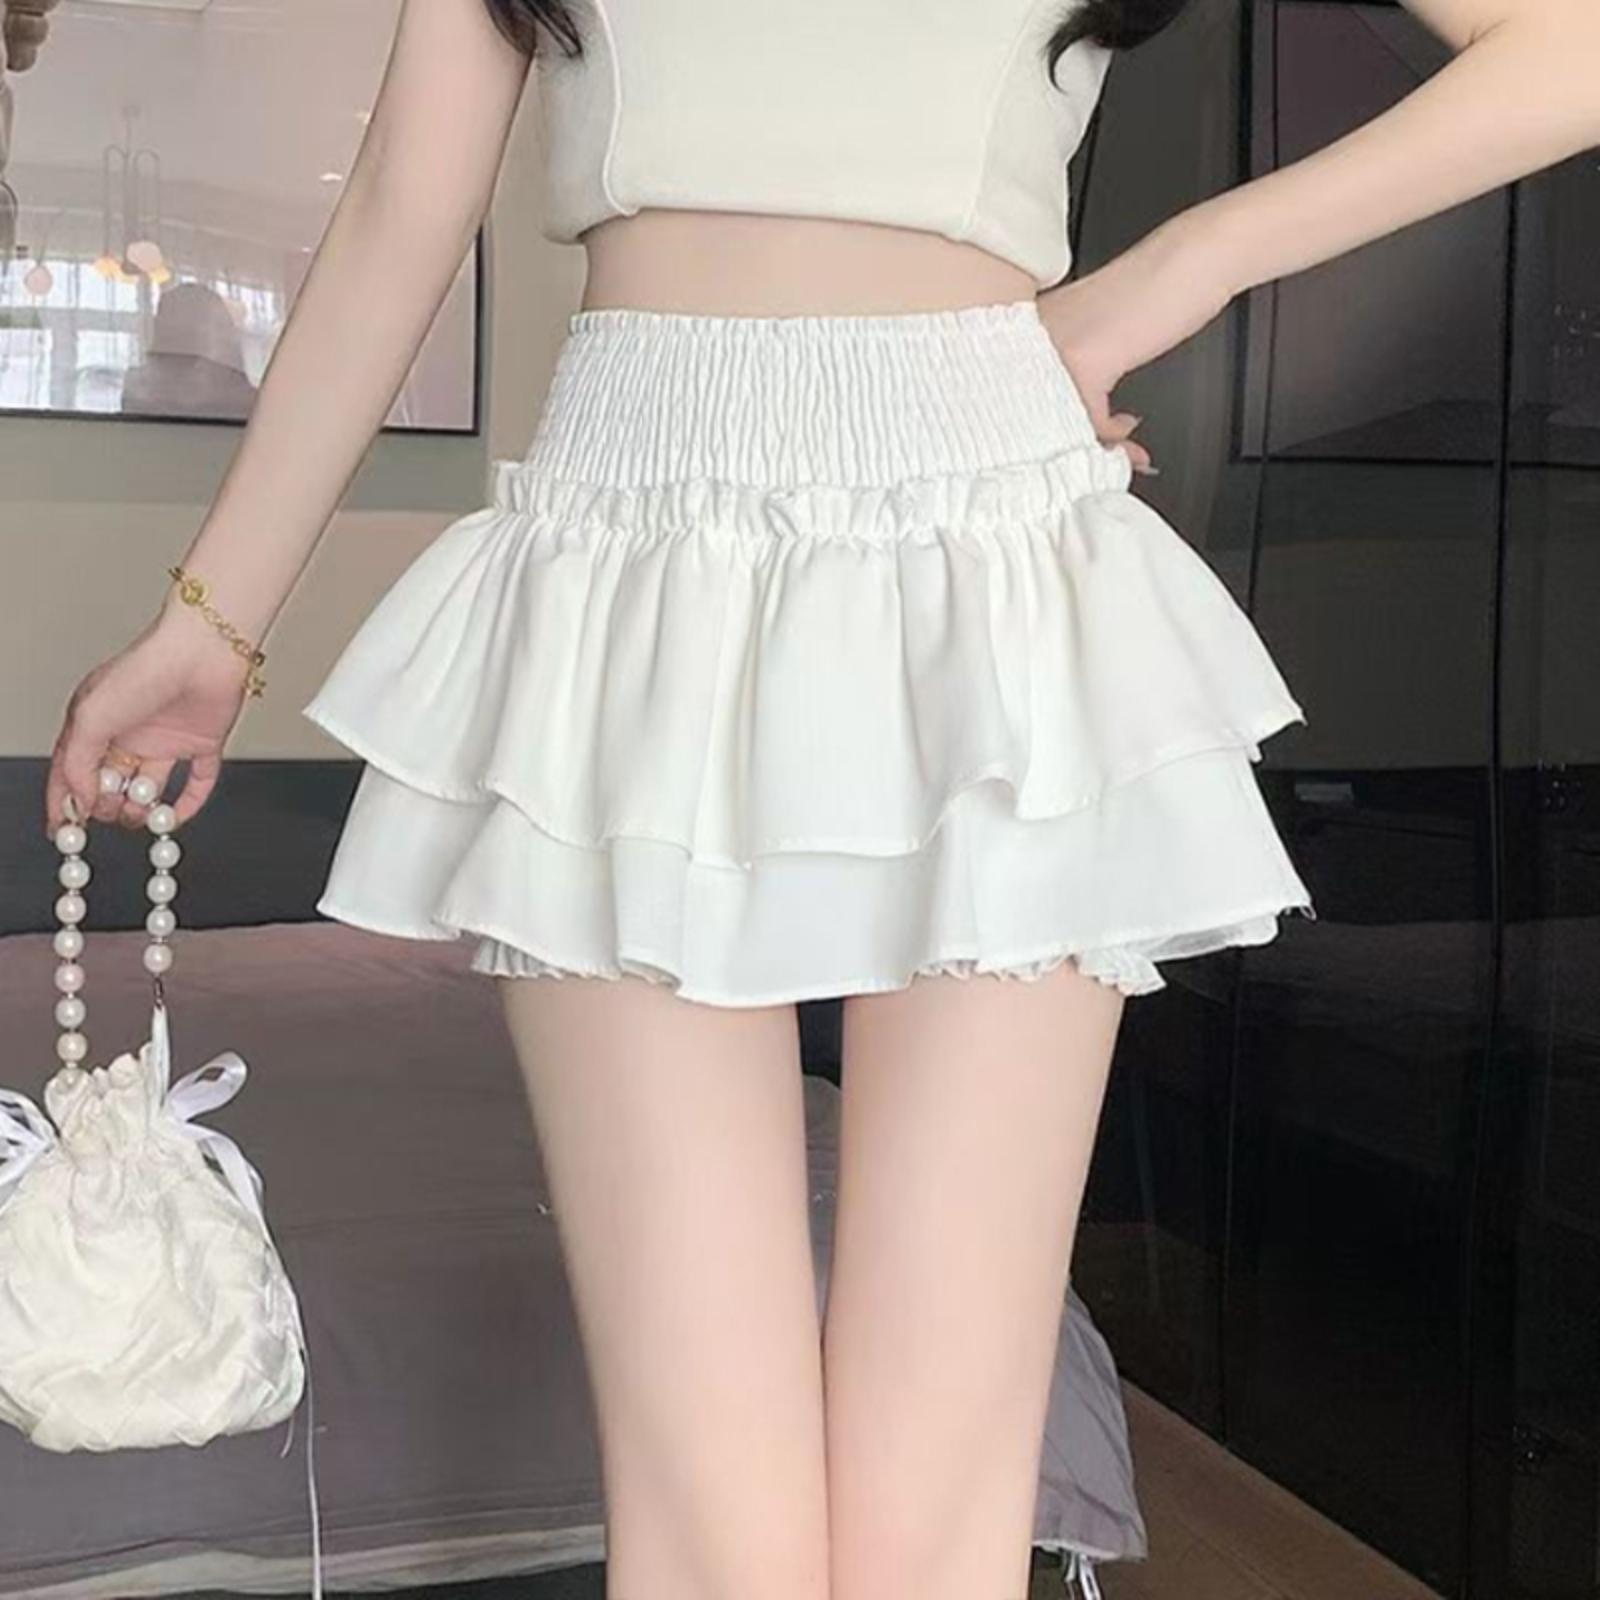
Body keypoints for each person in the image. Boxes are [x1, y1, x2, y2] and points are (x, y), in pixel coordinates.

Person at [42, 3, 1600, 1598]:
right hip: (628, 556)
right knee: (711, 1517)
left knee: (945, 1502)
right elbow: (397, 213)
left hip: (996, 562)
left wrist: (1182, 266)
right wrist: (212, 624)